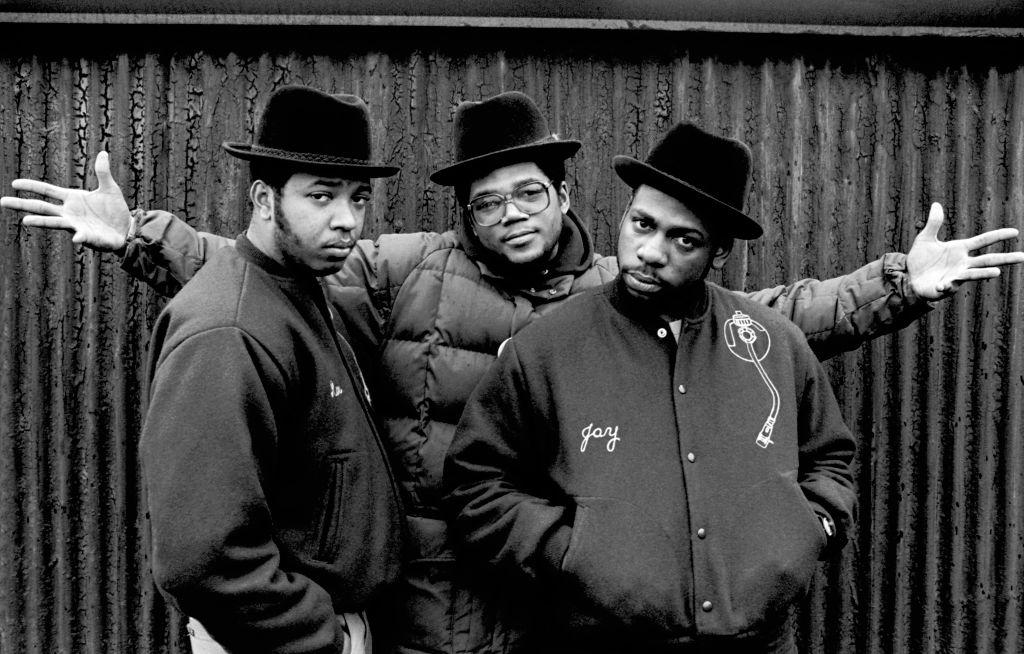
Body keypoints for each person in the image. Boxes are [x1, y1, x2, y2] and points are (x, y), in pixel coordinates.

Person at [3, 91, 1022, 654]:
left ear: (563, 192)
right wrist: (136, 234)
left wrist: (900, 283)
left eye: (527, 193)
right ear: (462, 212)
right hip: (411, 606)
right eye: (486, 202)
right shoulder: (395, 272)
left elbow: (777, 323)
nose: (510, 216)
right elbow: (264, 296)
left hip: (538, 614)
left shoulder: (627, 287)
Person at [442, 122, 860, 653]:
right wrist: (564, 550)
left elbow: (831, 457)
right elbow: (475, 481)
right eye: (641, 224)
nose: (651, 251)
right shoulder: (548, 347)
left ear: (720, 253)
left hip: (759, 643)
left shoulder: (774, 342)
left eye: (683, 239)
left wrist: (809, 529)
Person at [139, 85, 404, 653]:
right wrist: (321, 636)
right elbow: (201, 559)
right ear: (264, 199)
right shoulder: (227, 330)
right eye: (322, 196)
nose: (347, 220)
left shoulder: (301, 288)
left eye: (359, 198)